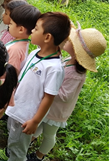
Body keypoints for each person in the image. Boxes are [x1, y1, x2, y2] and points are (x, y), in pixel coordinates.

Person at [27, 23, 107, 161]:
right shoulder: (68, 61)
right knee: (39, 125)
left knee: (49, 134)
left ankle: (39, 156)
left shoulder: (76, 73)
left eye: (71, 41)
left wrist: (48, 87)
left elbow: (65, 95)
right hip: (49, 106)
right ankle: (28, 142)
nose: (68, 40)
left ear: (76, 51)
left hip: (56, 111)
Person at [3, 12, 71, 161]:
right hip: (17, 108)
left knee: (18, 149)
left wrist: (35, 121)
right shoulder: (35, 53)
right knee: (13, 138)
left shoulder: (54, 68)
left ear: (47, 37)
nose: (32, 31)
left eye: (36, 28)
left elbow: (49, 97)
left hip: (26, 116)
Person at [5, 4, 41, 73]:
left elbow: (11, 74)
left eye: (11, 23)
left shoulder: (15, 49)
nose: (9, 25)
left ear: (21, 29)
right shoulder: (21, 43)